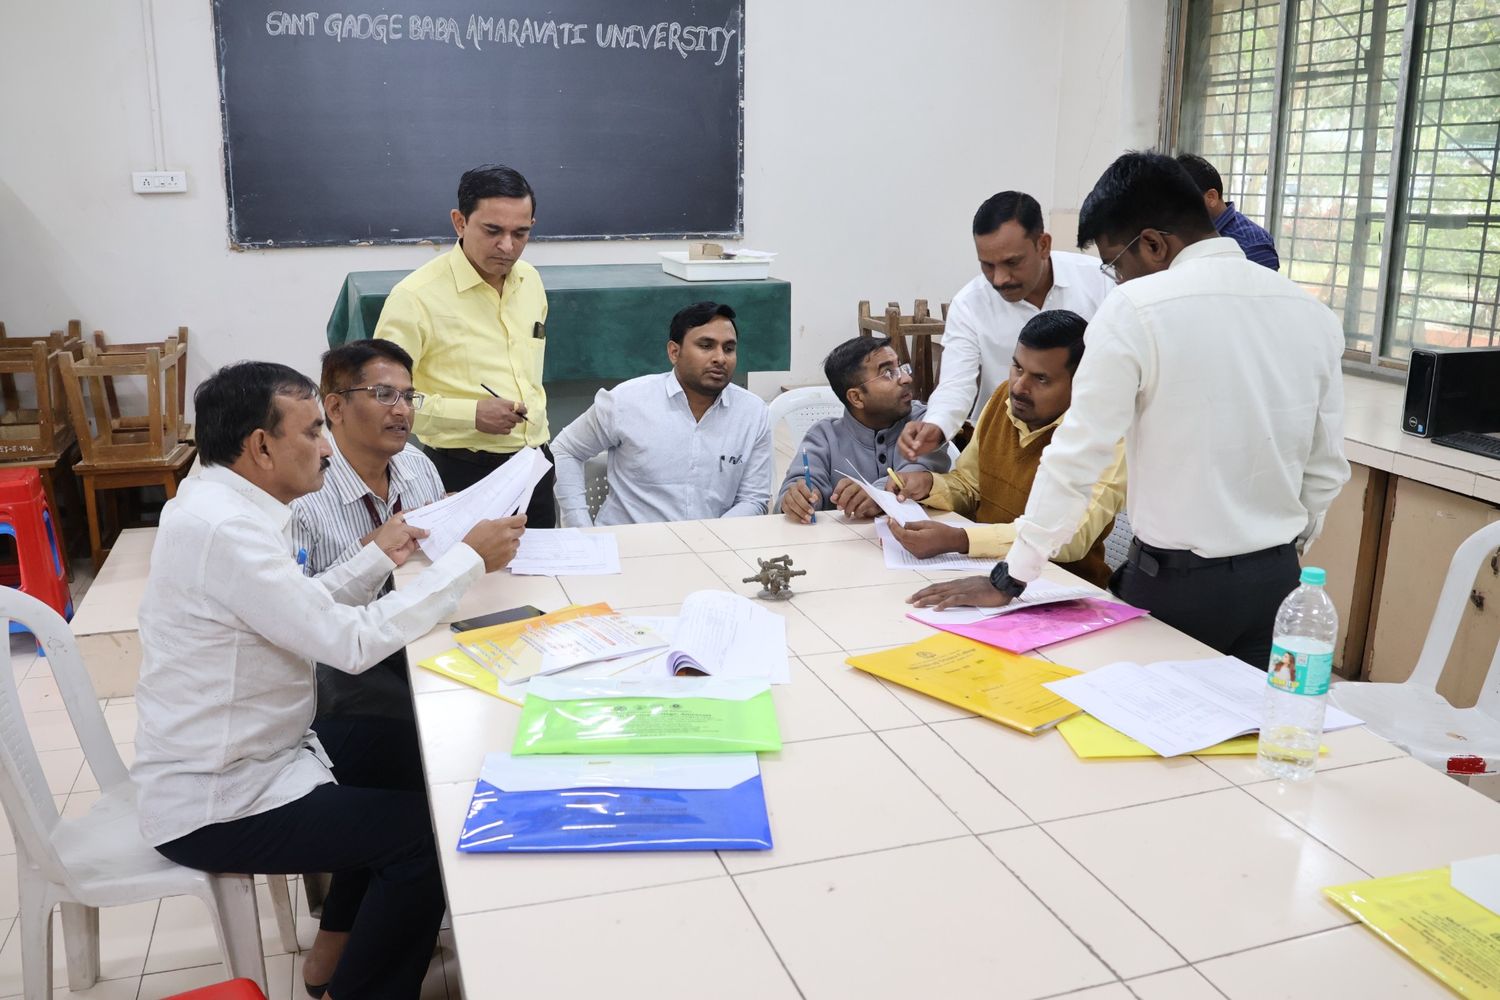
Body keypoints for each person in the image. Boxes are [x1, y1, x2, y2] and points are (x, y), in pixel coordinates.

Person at [132, 362, 524, 1000]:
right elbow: (350, 643)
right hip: (221, 796)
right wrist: (469, 560)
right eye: (313, 431)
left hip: (266, 752)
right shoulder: (225, 529)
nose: (324, 447)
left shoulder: (227, 501)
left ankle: (332, 959)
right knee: (422, 839)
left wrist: (377, 555)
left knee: (415, 760)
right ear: (261, 446)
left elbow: (298, 607)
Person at [910, 152, 1349, 670]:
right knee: (1251, 742)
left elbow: (1076, 457)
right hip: (1277, 589)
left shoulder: (1136, 308)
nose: (1115, 279)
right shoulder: (1311, 313)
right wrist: (1279, 553)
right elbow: (1324, 469)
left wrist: (1011, 576)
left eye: (1116, 264)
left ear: (1154, 243)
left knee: (1142, 742)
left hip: (1178, 588)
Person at [882, 311, 1125, 588]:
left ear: (1081, 382)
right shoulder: (1002, 400)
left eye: (1041, 379)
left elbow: (1070, 538)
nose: (1019, 387)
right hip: (983, 571)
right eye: (1017, 368)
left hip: (1060, 591)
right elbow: (971, 485)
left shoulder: (1105, 436)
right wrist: (928, 485)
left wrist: (962, 539)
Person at [376, 163, 558, 526]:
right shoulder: (415, 297)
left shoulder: (531, 281)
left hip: (534, 464)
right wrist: (470, 414)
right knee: (468, 580)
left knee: (542, 579)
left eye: (520, 233)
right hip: (462, 471)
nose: (507, 246)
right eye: (493, 231)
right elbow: (382, 397)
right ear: (459, 222)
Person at [899, 191, 1114, 462]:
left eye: (1012, 263)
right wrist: (937, 425)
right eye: (987, 266)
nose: (1000, 279)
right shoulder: (970, 304)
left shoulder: (1101, 282)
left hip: (1090, 445)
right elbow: (956, 383)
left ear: (1043, 245)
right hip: (1006, 450)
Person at [552, 301, 773, 526]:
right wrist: (579, 529)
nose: (720, 358)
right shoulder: (627, 400)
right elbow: (566, 448)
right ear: (674, 352)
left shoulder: (753, 413)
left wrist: (711, 537)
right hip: (628, 548)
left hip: (711, 549)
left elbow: (753, 499)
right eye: (706, 346)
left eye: (728, 348)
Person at [776, 337, 950, 523]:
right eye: (888, 373)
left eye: (901, 367)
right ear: (856, 398)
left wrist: (878, 494)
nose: (906, 378)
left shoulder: (925, 422)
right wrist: (798, 499)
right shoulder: (824, 436)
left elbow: (920, 472)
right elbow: (799, 484)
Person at [1175, 153, 1280, 271]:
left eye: (1180, 201)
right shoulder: (1178, 236)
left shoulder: (1253, 245)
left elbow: (1264, 288)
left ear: (1211, 197)